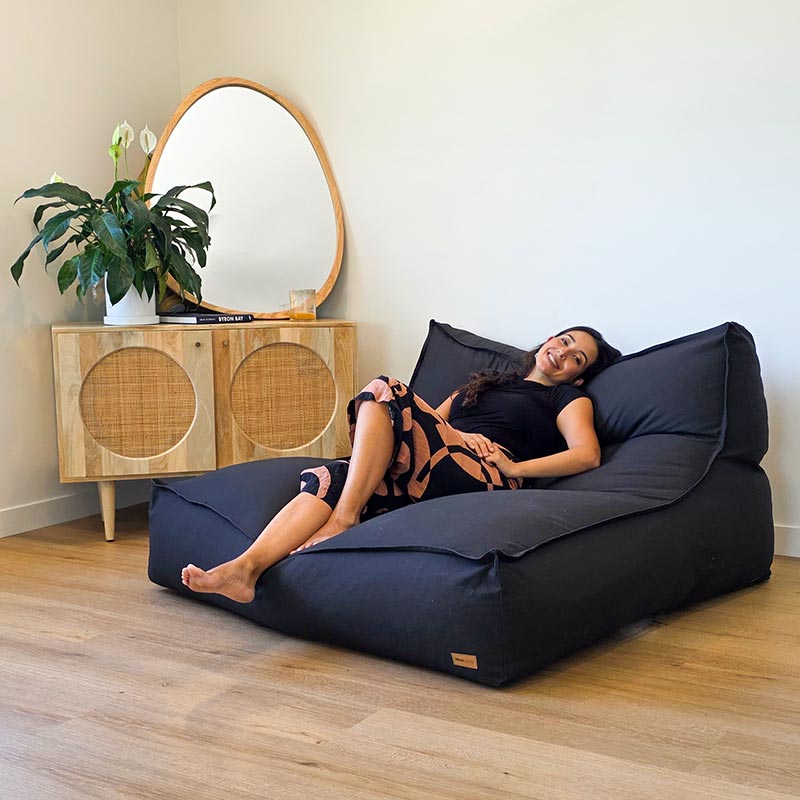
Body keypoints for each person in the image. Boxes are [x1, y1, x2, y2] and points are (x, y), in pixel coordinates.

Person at [181, 326, 620, 603]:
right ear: (548, 340)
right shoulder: (489, 382)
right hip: (439, 459)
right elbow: (434, 422)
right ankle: (246, 568)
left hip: (485, 476)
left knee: (386, 388)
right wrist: (458, 436)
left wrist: (515, 469)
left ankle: (345, 518)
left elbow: (587, 454)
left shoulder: (565, 397)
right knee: (333, 475)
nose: (563, 353)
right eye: (564, 341)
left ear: (578, 375)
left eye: (576, 358)